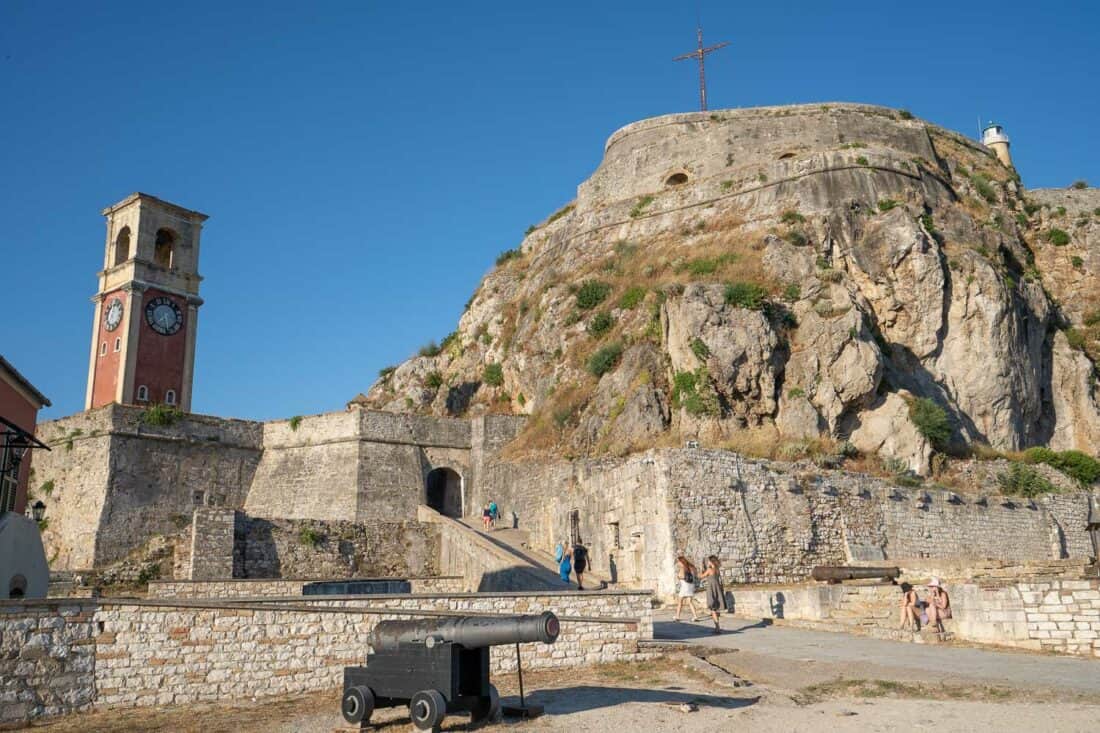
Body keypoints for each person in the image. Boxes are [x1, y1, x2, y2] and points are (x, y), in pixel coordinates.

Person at [700, 555, 727, 633]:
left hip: (711, 589)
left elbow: (701, 576)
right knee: (714, 608)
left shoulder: (709, 569)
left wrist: (701, 569)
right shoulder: (717, 569)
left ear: (711, 561)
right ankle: (717, 627)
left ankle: (717, 627)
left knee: (713, 609)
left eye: (708, 561)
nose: (707, 562)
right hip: (717, 588)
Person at [674, 554, 702, 621]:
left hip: (684, 586)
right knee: (690, 602)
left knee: (680, 601)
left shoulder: (682, 568)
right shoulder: (690, 566)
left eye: (678, 562)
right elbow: (694, 575)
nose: (677, 563)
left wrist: (678, 577)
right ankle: (695, 616)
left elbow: (682, 576)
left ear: (681, 562)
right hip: (691, 586)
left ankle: (677, 616)